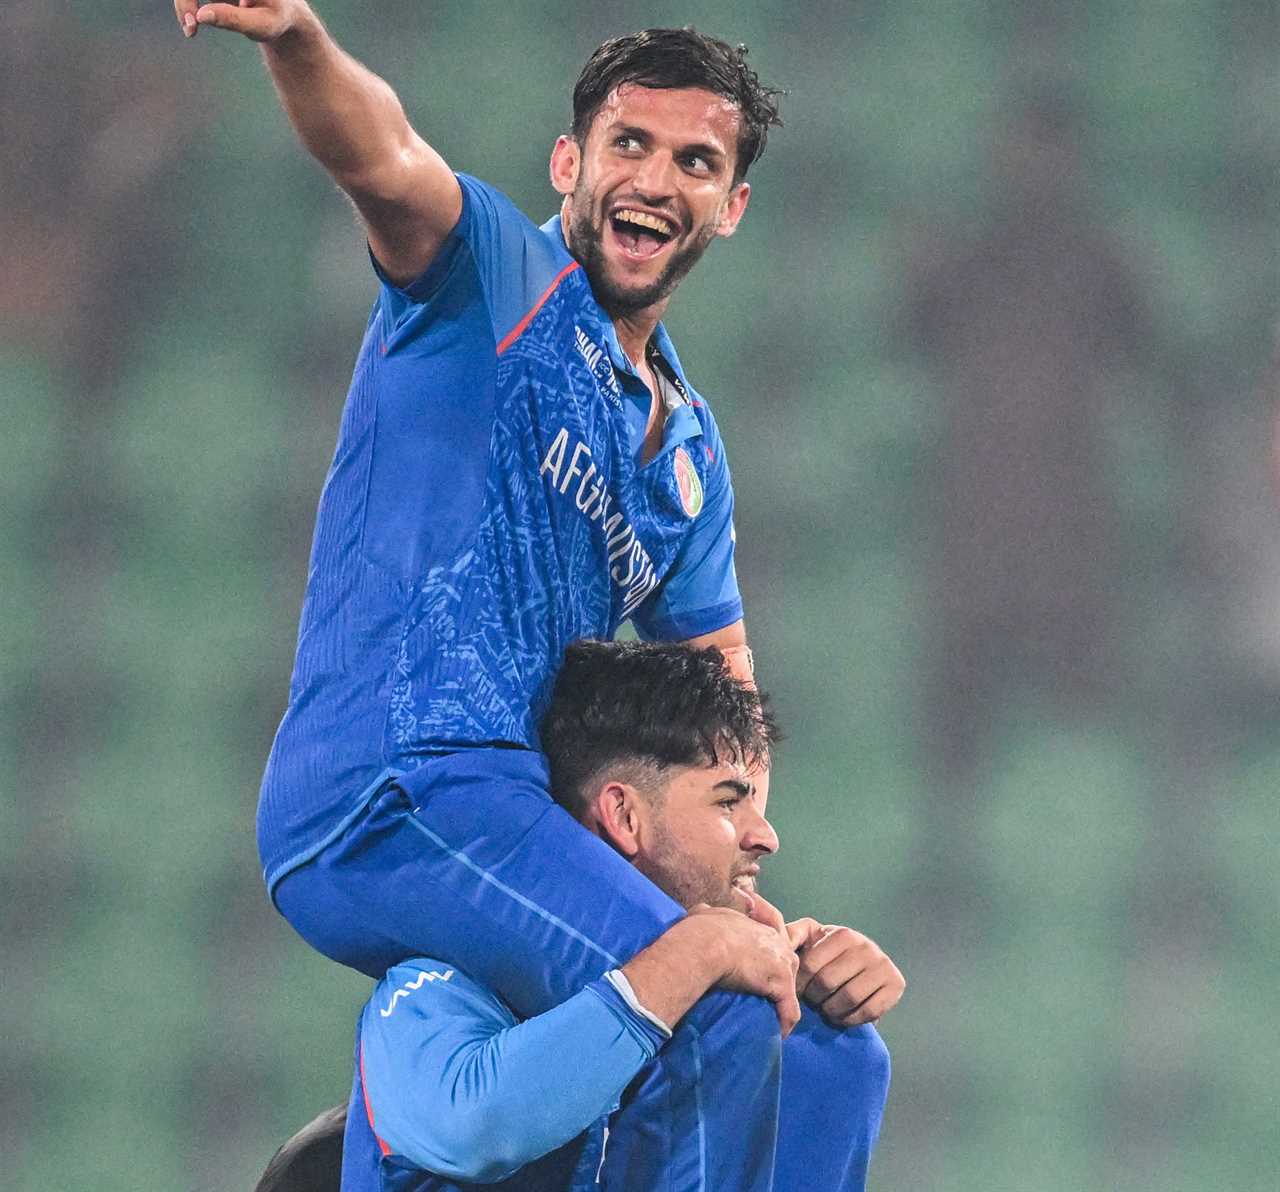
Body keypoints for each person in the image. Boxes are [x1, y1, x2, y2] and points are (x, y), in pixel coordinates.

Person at [175, 7, 898, 1187]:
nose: (656, 179)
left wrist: (745, 899)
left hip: (515, 817)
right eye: (630, 144)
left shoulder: (686, 454)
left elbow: (726, 716)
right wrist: (296, 41)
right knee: (709, 1003)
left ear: (730, 207)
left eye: (695, 162)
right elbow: (384, 161)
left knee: (823, 1046)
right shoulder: (495, 278)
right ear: (570, 163)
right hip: (389, 790)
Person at [260, 643, 899, 1191]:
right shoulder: (445, 982)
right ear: (624, 816)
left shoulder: (743, 1020)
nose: (766, 836)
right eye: (729, 801)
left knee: (834, 1048)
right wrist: (691, 956)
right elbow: (477, 1122)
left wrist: (818, 987)